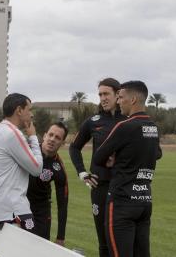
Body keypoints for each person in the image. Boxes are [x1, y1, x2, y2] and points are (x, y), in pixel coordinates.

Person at [93, 81, 162, 257]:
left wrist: (115, 158)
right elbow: (157, 154)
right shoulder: (153, 127)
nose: (118, 101)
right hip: (144, 201)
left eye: (121, 97)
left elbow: (99, 157)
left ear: (132, 100)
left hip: (122, 202)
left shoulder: (124, 126)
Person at [69, 78, 126, 257]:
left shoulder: (129, 119)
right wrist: (82, 173)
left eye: (106, 93)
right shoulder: (94, 121)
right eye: (100, 94)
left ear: (118, 94)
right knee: (103, 242)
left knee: (122, 239)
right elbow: (74, 147)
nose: (102, 98)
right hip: (100, 187)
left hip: (124, 187)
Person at [0, 93, 43, 232]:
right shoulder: (12, 133)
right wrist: (33, 137)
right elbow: (37, 168)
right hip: (13, 210)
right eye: (29, 109)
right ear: (19, 110)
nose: (32, 115)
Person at [27, 122, 69, 246]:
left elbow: (63, 204)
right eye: (50, 134)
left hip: (41, 210)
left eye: (57, 138)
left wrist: (60, 237)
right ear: (44, 136)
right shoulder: (27, 151)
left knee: (40, 249)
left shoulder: (59, 168)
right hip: (20, 204)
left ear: (62, 143)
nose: (52, 139)